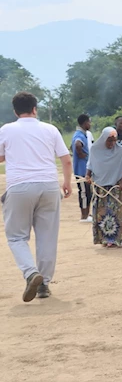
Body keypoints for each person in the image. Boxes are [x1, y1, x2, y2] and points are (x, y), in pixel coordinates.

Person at [0, 92, 72, 301]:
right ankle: (44, 285)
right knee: (47, 237)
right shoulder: (50, 129)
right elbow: (66, 160)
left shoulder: (7, 129)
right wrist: (66, 183)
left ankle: (31, 273)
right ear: (35, 109)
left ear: (15, 111)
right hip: (49, 186)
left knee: (16, 236)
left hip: (20, 187)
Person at [85, 127, 122, 247]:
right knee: (102, 215)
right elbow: (90, 165)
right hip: (101, 188)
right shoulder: (95, 149)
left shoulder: (120, 151)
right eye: (109, 141)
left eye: (114, 141)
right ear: (103, 139)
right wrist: (88, 176)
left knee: (117, 214)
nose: (112, 144)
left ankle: (116, 239)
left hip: (115, 189)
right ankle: (104, 239)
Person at [72, 114, 93, 223]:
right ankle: (83, 216)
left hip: (85, 170)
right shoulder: (79, 134)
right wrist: (80, 153)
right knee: (84, 193)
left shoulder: (84, 134)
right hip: (81, 171)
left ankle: (87, 214)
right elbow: (77, 144)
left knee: (88, 193)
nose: (90, 124)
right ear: (85, 123)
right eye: (89, 122)